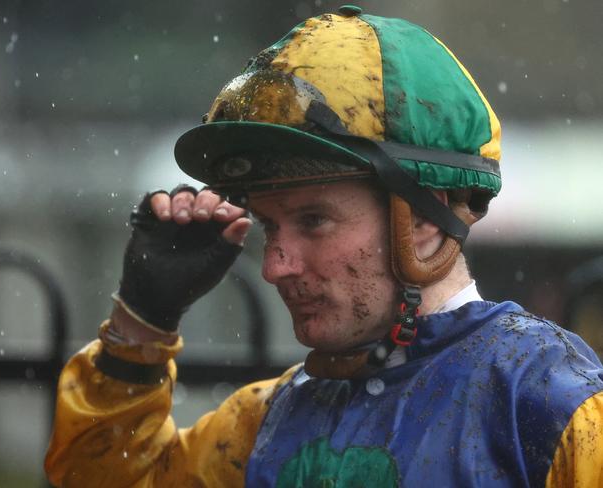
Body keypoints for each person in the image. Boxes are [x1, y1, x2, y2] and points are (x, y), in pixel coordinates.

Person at [44, 7, 603, 487]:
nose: (274, 267)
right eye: (268, 226)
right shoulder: (262, 422)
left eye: (313, 220)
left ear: (426, 220)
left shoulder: (551, 406)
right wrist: (142, 324)